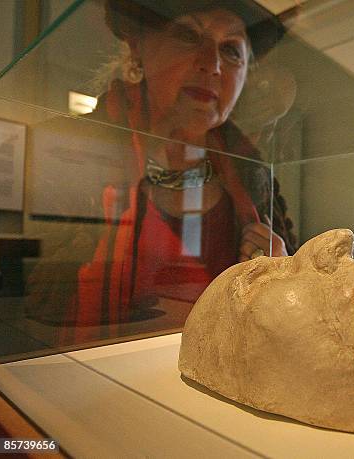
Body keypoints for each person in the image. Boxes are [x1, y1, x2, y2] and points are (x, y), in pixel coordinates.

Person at [25, 0, 297, 342]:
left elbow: (291, 303)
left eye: (231, 50)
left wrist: (283, 270)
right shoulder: (70, 151)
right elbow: (26, 299)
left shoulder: (252, 174)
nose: (211, 64)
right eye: (187, 35)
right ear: (137, 48)